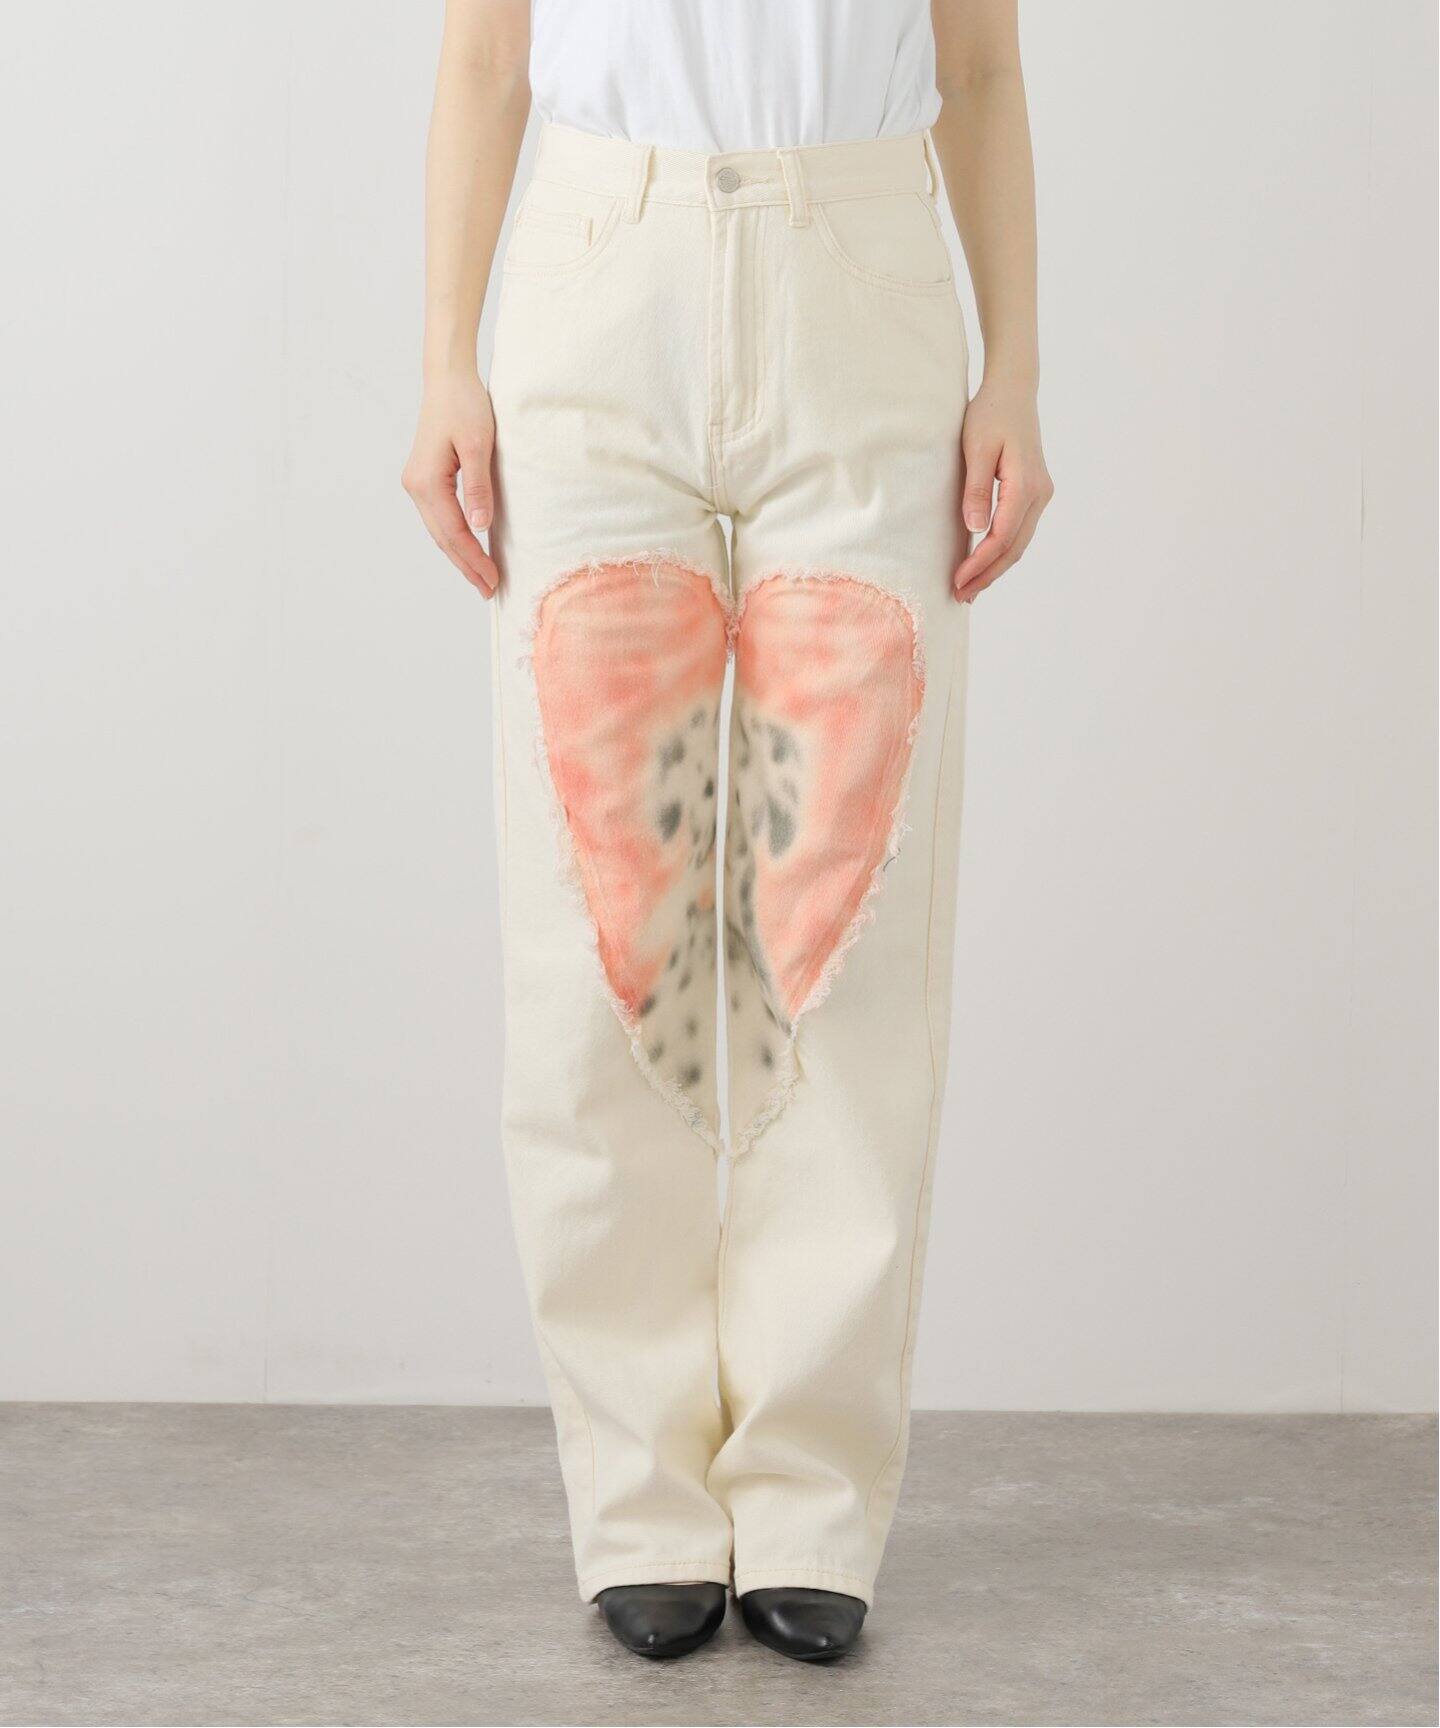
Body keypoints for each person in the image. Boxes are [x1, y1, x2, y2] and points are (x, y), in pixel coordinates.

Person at [402, 0, 1052, 1663]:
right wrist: (445, 358)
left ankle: (811, 1503)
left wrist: (1016, 371)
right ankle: (639, 1502)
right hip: (596, 286)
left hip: (864, 287)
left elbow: (980, 64)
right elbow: (485, 57)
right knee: (600, 932)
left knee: (842, 926)